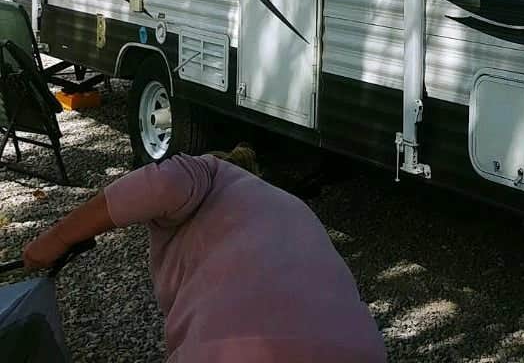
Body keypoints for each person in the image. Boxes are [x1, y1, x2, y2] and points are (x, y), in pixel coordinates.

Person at [22, 145, 387, 363]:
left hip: (239, 349)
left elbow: (162, 182)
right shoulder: (290, 207)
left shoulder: (211, 173)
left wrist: (56, 239)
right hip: (359, 349)